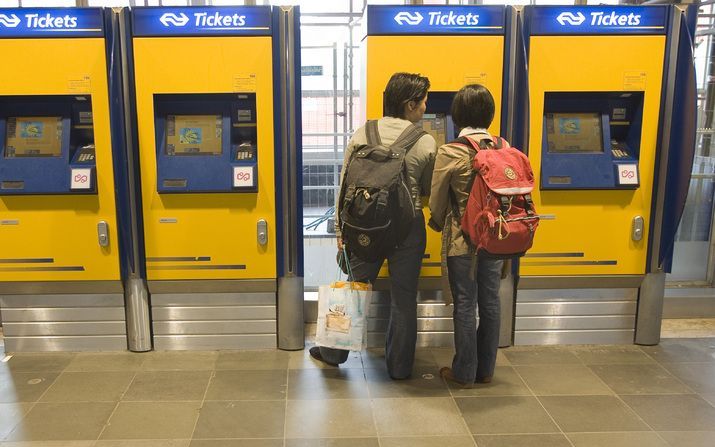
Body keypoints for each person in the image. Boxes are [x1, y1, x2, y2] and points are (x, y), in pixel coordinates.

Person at [309, 72, 436, 379]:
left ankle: (332, 353)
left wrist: (341, 230)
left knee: (352, 288)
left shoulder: (362, 132)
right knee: (404, 297)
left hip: (364, 224)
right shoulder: (426, 140)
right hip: (407, 229)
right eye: (422, 102)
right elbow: (428, 187)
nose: (424, 107)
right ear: (410, 104)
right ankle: (399, 368)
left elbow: (344, 186)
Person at [428, 84, 504, 387]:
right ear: (489, 113)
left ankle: (464, 371)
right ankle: (486, 370)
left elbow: (436, 200)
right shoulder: (502, 145)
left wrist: (436, 221)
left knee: (464, 302)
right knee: (490, 302)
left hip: (463, 239)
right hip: (496, 238)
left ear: (457, 115)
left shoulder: (450, 151)